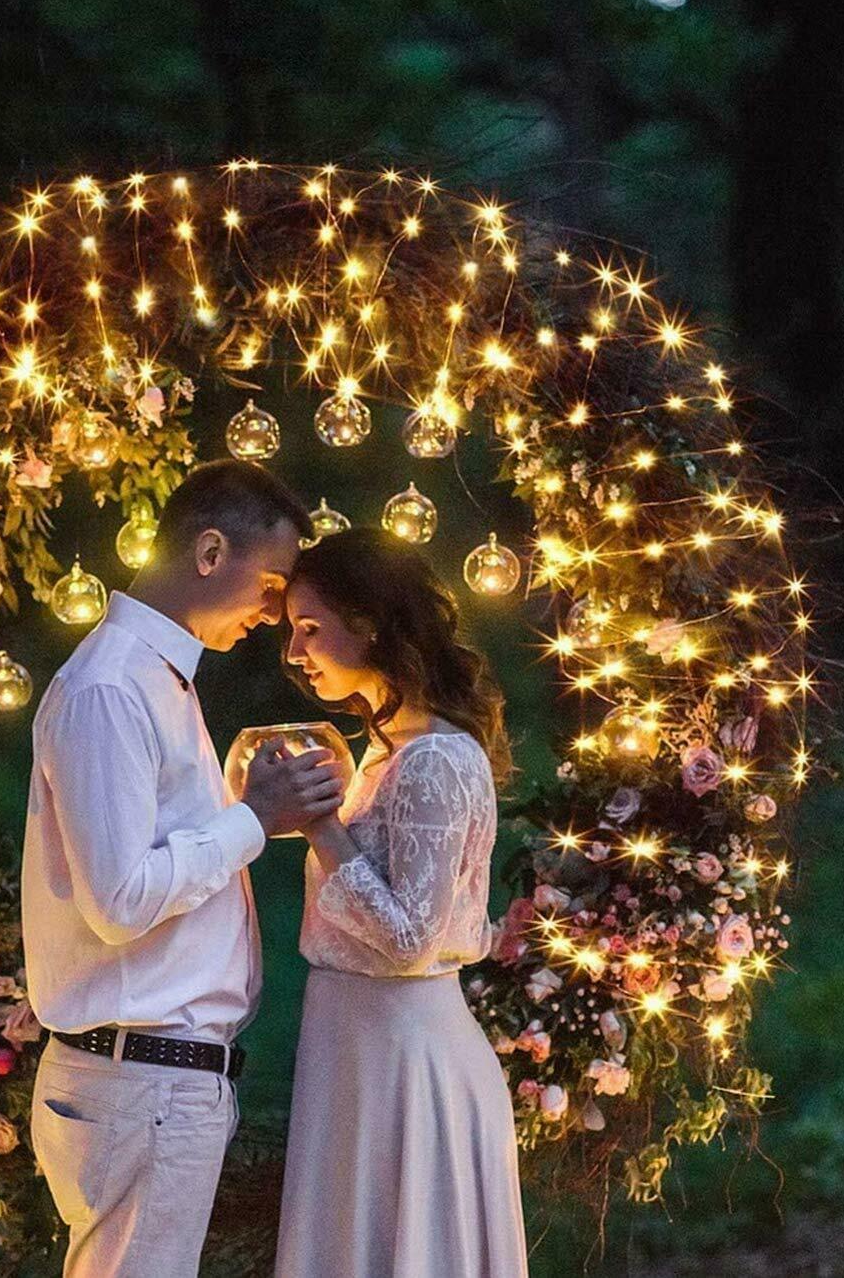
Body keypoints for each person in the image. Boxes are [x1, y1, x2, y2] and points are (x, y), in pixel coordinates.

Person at [21, 459, 345, 1278]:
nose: (274, 617)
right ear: (209, 553)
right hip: (142, 1080)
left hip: (155, 1079)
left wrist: (248, 816)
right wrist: (252, 819)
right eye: (271, 588)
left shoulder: (160, 680)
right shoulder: (111, 687)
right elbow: (120, 901)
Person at [275, 527, 529, 1278]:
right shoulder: (385, 754)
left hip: (402, 1061)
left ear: (369, 624)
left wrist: (322, 827)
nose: (294, 652)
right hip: (357, 1049)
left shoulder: (433, 759)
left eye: (310, 627)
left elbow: (412, 938)